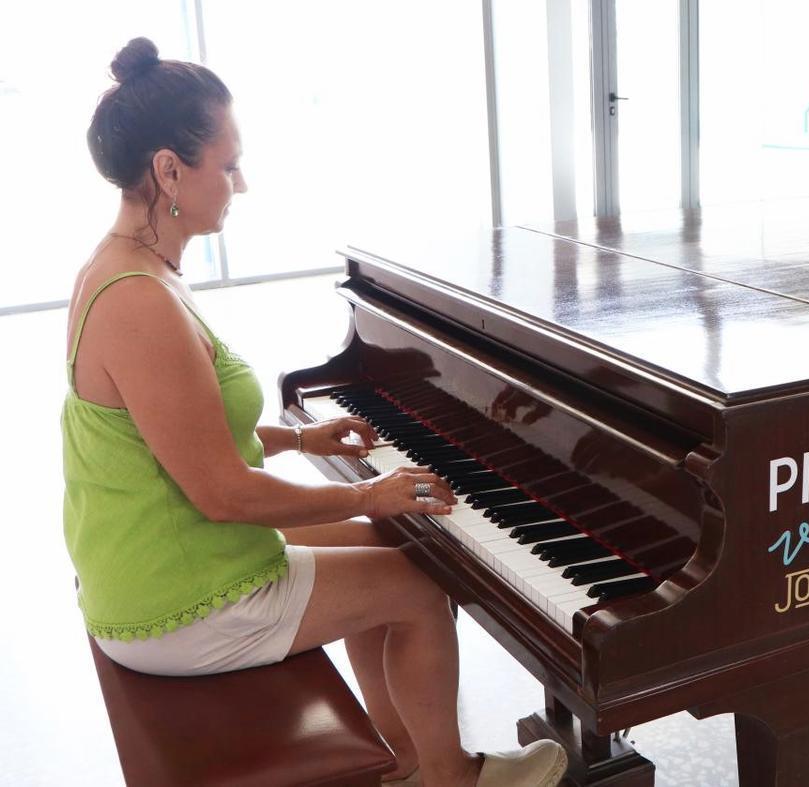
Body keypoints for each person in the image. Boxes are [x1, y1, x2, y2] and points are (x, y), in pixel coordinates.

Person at [65, 37, 567, 787]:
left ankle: (406, 762)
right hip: (172, 599)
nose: (242, 182)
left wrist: (300, 436)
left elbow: (185, 437)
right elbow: (223, 491)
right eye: (228, 165)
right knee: (422, 587)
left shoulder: (134, 269)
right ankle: (450, 775)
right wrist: (366, 487)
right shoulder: (140, 301)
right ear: (170, 169)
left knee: (378, 539)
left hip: (159, 555)